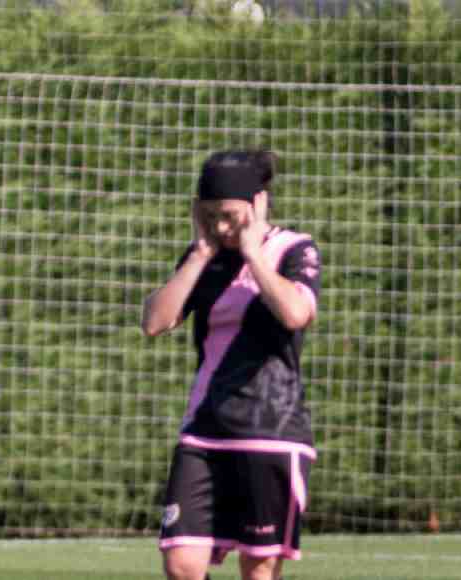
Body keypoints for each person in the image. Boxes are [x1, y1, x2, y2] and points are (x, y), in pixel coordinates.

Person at [141, 150, 321, 580]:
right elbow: (153, 322)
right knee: (182, 564)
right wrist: (200, 256)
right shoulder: (202, 256)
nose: (220, 227)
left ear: (258, 203)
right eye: (208, 215)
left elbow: (296, 314)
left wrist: (253, 253)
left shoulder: (293, 249)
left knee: (258, 568)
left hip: (271, 433)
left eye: (228, 215)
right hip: (203, 432)